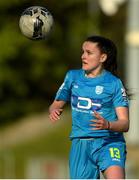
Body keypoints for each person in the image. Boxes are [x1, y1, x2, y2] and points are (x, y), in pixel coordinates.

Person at [49, 35, 129, 179]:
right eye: (82, 52)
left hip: (109, 142)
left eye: (89, 53)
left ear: (102, 58)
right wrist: (54, 110)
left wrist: (108, 124)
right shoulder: (72, 77)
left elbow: (125, 123)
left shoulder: (114, 83)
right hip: (81, 144)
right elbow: (56, 103)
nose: (83, 56)